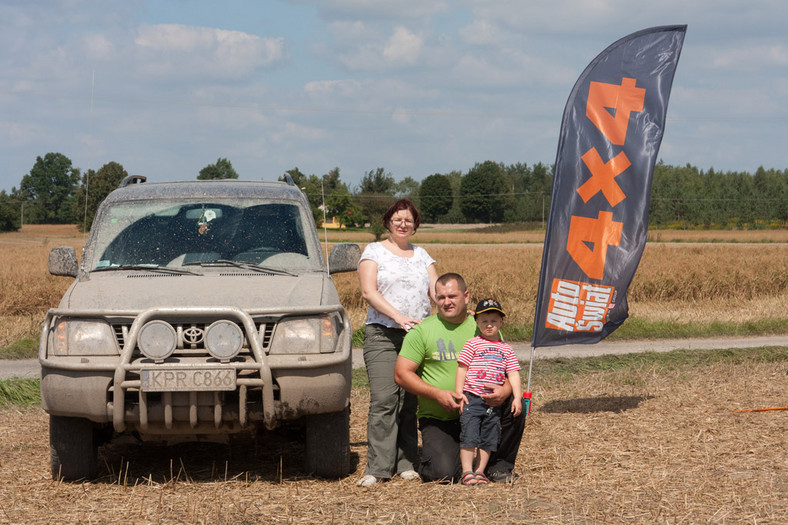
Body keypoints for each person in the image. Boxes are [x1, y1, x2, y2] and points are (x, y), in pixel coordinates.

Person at [394, 273, 526, 483]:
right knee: (443, 474)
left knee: (516, 404)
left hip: (484, 410)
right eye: (441, 297)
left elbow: (507, 369)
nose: (447, 302)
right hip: (442, 417)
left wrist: (506, 391)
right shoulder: (422, 331)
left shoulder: (483, 325)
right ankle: (459, 462)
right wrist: (437, 394)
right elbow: (401, 374)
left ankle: (497, 467)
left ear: (466, 296)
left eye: (452, 296)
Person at [356, 198, 438, 487]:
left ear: (415, 225)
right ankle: (378, 467)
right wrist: (399, 316)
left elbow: (436, 293)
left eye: (409, 219)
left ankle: (406, 462)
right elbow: (368, 292)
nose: (403, 223)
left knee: (408, 402)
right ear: (388, 222)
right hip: (383, 333)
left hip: (417, 337)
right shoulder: (374, 251)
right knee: (384, 399)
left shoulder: (423, 255)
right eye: (397, 218)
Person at [455, 299, 522, 485]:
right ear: (477, 322)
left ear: (501, 322)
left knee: (489, 436)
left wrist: (517, 397)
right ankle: (467, 471)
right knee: (469, 434)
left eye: (494, 320)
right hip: (472, 398)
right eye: (484, 321)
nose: (489, 325)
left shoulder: (506, 349)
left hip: (493, 402)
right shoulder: (472, 344)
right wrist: (459, 393)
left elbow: (513, 374)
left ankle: (480, 471)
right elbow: (462, 369)